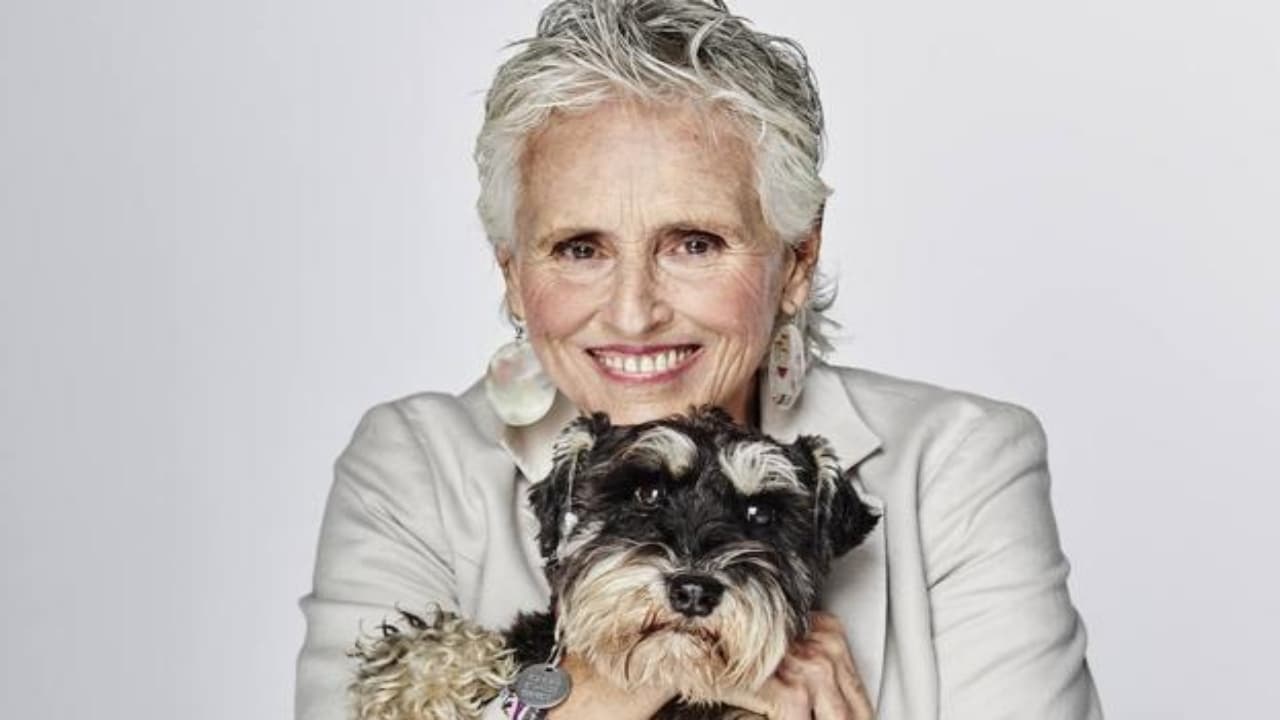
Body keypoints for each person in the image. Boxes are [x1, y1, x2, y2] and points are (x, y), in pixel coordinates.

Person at [295, 1, 1104, 718]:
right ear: (511, 271)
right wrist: (604, 689)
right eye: (580, 248)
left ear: (797, 258)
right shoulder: (414, 467)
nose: (633, 312)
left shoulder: (957, 466)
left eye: (694, 243)